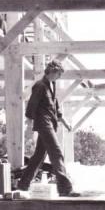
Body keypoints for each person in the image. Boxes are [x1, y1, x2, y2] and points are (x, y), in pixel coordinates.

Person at [18, 61, 80, 196]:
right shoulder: (40, 86)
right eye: (58, 74)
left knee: (38, 156)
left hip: (50, 124)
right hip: (43, 124)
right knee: (57, 153)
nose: (59, 77)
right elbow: (31, 107)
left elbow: (54, 106)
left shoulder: (52, 85)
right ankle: (65, 189)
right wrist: (29, 125)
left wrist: (64, 122)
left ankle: (23, 185)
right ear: (52, 71)